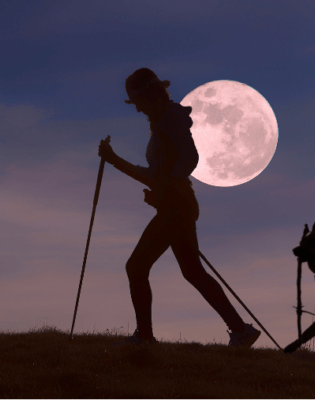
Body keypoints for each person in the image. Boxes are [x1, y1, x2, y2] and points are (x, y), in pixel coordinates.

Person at [98, 68, 261, 347]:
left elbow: (189, 158)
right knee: (192, 272)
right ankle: (240, 330)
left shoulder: (170, 119)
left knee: (137, 267)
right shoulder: (166, 119)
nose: (137, 109)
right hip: (177, 205)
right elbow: (160, 172)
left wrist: (164, 186)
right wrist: (161, 189)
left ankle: (145, 338)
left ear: (149, 97)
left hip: (177, 206)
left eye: (137, 102)